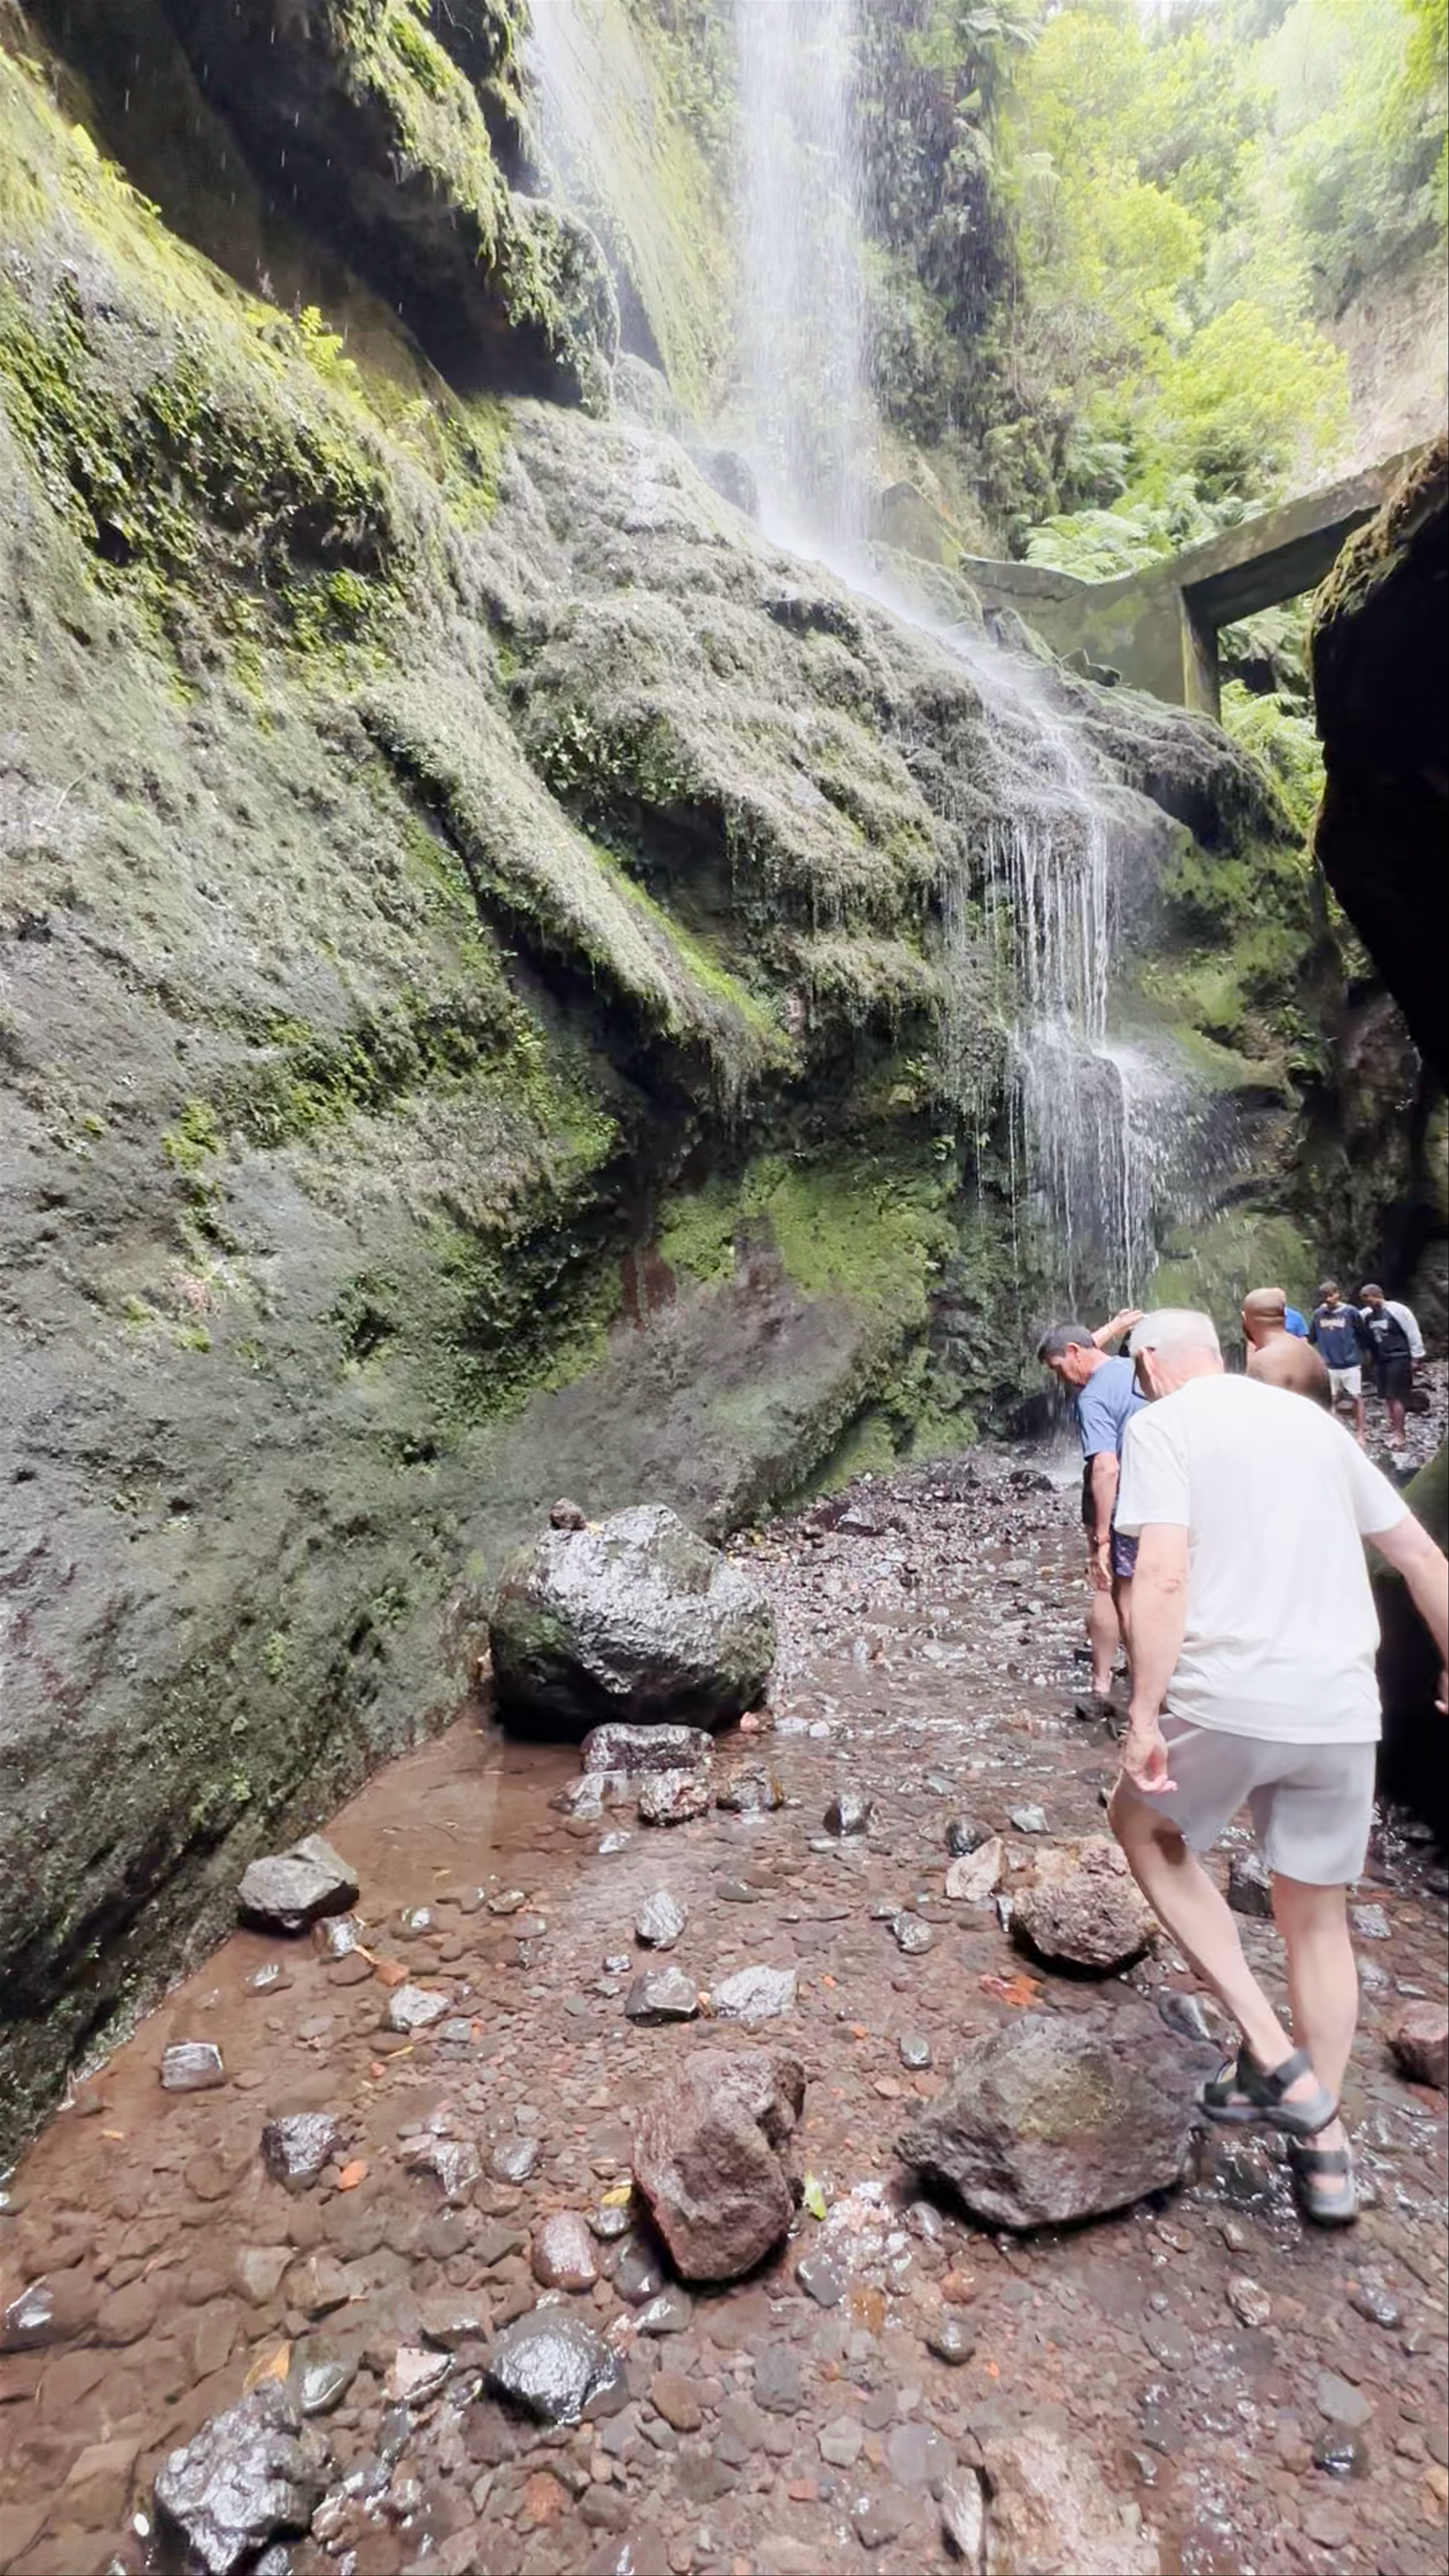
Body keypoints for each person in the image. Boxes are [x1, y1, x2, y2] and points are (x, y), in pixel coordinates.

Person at [1108, 1308, 1448, 2227]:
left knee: (1138, 1823)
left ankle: (1270, 2051)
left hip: (1232, 1696)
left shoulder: (1161, 1425)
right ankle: (1325, 2150)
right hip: (1341, 1702)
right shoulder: (1310, 1422)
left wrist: (1143, 1712)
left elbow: (1165, 1576)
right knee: (1315, 1917)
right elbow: (1419, 1554)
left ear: (1150, 1363)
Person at [1037, 1319, 1144, 1707]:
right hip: (1158, 1495)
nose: (1061, 1379)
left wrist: (1101, 1538)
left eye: (1058, 1369)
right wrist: (1113, 1327)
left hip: (1119, 1500)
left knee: (1109, 1587)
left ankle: (1106, 1682)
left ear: (1073, 1354)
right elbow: (1082, 1347)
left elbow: (1105, 1466)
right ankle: (1148, 1676)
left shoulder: (1092, 1397)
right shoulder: (1135, 1367)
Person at [1359, 1283, 1426, 1451]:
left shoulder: (1398, 1311)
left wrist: (1417, 1357)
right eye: (1364, 1301)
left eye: (1368, 1299)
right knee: (1387, 1397)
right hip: (1380, 1360)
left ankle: (1400, 1435)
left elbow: (1413, 1332)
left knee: (1395, 1396)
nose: (1367, 1304)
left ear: (1377, 1295)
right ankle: (1395, 1427)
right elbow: (1354, 1323)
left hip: (1399, 1357)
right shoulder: (1367, 1315)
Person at [1242, 1286, 1331, 1407]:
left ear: (1245, 1318)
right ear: (1284, 1315)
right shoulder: (1311, 1353)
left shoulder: (1265, 1361)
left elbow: (1265, 1413)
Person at [1308, 1279, 1372, 1443]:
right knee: (1331, 1400)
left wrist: (1360, 1355)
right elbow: (1312, 1338)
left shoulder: (1351, 1312)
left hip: (1350, 1363)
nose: (1329, 1300)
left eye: (1331, 1295)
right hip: (1328, 1364)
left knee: (1356, 1398)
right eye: (1325, 1297)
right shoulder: (1318, 1315)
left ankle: (1360, 1434)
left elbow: (1363, 1335)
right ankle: (1334, 1436)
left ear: (1338, 1294)